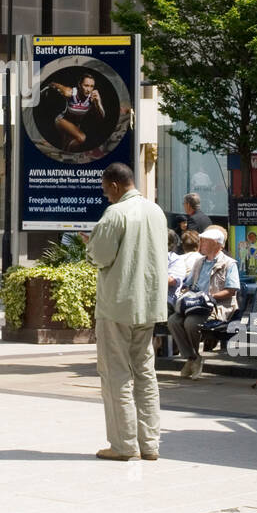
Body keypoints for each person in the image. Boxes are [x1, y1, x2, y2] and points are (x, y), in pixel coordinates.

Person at [85, 163, 167, 461]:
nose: (106, 196)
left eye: (106, 191)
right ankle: (150, 443)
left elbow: (100, 255)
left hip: (118, 304)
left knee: (116, 373)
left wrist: (90, 245)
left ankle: (123, 445)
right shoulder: (155, 211)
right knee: (145, 373)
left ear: (116, 186)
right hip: (150, 303)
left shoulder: (116, 213)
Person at [167, 225, 240, 379]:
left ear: (216, 244)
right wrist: (187, 292)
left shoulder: (229, 263)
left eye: (205, 242)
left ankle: (193, 358)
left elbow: (232, 290)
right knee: (173, 320)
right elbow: (187, 283)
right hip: (195, 304)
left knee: (191, 323)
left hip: (217, 306)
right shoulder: (199, 262)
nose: (202, 245)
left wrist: (210, 297)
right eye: (202, 241)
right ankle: (192, 357)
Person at [45, 73, 105, 151]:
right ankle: (67, 155)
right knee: (81, 138)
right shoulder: (70, 92)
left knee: (66, 145)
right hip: (62, 121)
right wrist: (47, 88)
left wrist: (99, 102)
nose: (88, 89)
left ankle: (65, 156)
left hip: (75, 125)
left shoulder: (93, 98)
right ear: (79, 85)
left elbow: (101, 116)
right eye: (86, 85)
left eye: (91, 86)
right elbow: (55, 85)